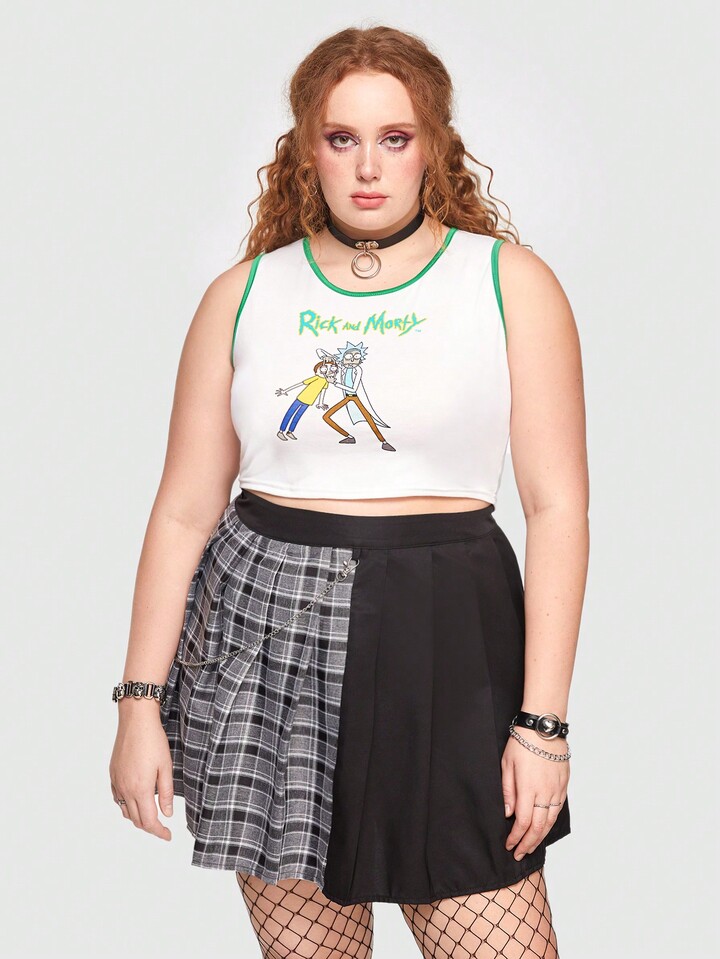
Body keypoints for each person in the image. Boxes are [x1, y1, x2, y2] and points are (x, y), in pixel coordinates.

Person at [109, 24, 588, 959]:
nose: (369, 166)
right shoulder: (244, 293)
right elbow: (182, 512)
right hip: (265, 636)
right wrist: (137, 703)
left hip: (446, 630)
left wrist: (543, 724)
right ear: (307, 149)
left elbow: (557, 508)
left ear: (433, 145)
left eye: (395, 138)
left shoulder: (508, 282)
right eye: (342, 138)